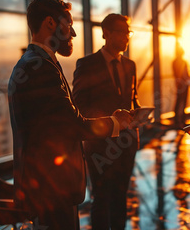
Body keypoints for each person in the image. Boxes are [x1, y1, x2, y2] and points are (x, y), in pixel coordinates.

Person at [8, 0, 133, 229]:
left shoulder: (32, 62)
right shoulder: (41, 67)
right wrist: (115, 123)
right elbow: (71, 125)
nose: (73, 33)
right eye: (69, 24)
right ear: (50, 23)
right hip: (52, 188)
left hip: (45, 186)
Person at [72, 13, 141, 230]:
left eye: (128, 32)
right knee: (101, 197)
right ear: (106, 33)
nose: (127, 37)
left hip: (126, 142)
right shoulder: (87, 64)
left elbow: (132, 98)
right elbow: (79, 105)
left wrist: (139, 112)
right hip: (99, 144)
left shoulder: (130, 65)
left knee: (121, 195)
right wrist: (110, 119)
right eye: (122, 32)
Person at [173, 45, 190, 127]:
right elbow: (186, 74)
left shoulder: (174, 62)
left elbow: (177, 74)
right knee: (183, 102)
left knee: (179, 101)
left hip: (180, 84)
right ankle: (182, 120)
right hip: (184, 84)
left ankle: (177, 120)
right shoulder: (183, 62)